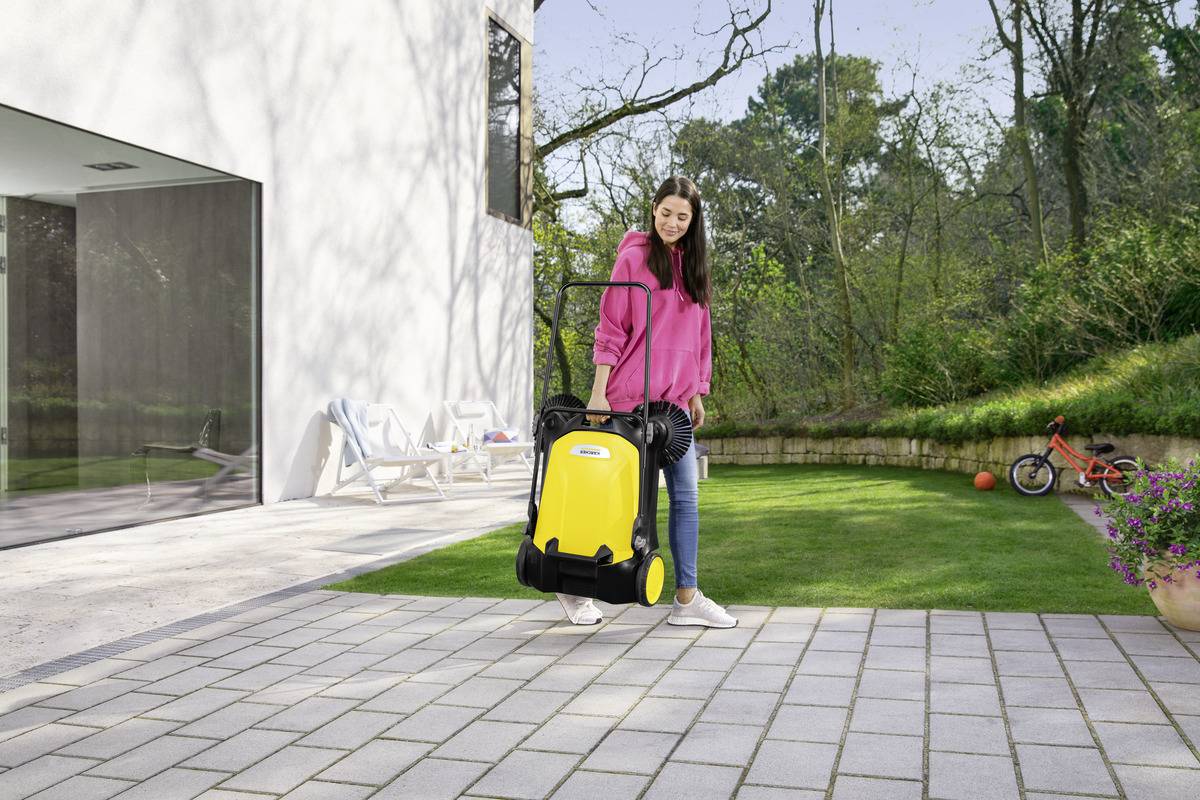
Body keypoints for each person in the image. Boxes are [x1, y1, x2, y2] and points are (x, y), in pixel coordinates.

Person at [555, 175, 738, 629]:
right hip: (629, 402)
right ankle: (574, 588)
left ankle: (687, 597)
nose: (672, 223)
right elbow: (612, 326)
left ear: (693, 221)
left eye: (682, 216)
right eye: (666, 213)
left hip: (674, 407)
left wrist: (696, 390)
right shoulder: (633, 259)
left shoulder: (696, 269)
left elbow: (699, 338)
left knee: (686, 498)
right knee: (613, 502)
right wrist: (599, 390)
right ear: (652, 209)